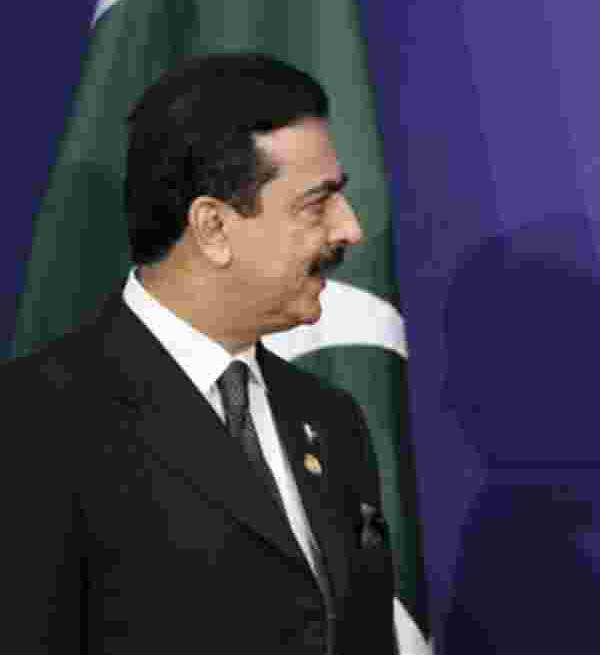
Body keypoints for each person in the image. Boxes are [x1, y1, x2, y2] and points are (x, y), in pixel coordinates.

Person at [3, 53, 396, 654]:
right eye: (317, 203)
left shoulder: (331, 420)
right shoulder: (34, 420)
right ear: (213, 228)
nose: (350, 228)